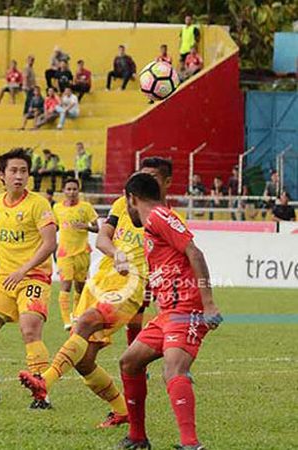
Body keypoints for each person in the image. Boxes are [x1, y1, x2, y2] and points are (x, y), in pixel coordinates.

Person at [18, 158, 182, 430]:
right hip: (101, 279)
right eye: (141, 176)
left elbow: (174, 259)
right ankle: (121, 410)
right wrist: (116, 252)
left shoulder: (171, 219)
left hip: (132, 284)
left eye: (151, 178)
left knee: (85, 323)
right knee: (84, 360)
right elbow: (103, 237)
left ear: (166, 183)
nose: (143, 184)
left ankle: (44, 381)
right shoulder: (122, 205)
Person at [116, 172, 221, 450]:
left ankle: (191, 444)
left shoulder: (159, 216)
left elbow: (195, 253)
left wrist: (208, 303)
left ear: (132, 198)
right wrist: (152, 291)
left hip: (186, 308)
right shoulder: (153, 224)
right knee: (129, 362)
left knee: (173, 368)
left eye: (127, 204)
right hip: (167, 312)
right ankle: (137, 438)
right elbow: (167, 263)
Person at [0, 148, 57, 409]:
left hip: (34, 278)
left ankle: (42, 396)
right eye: (13, 171)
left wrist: (24, 269)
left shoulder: (39, 204)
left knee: (30, 330)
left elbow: (50, 243)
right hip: (5, 280)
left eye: (23, 171)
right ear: (1, 175)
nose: (19, 176)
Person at [50, 178, 98, 330]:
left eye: (74, 189)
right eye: (68, 189)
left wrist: (86, 227)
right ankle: (66, 321)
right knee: (66, 285)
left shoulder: (86, 207)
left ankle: (76, 315)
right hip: (64, 253)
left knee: (80, 287)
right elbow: (54, 227)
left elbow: (97, 228)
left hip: (82, 252)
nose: (71, 192)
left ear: (79, 191)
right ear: (63, 191)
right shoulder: (57, 208)